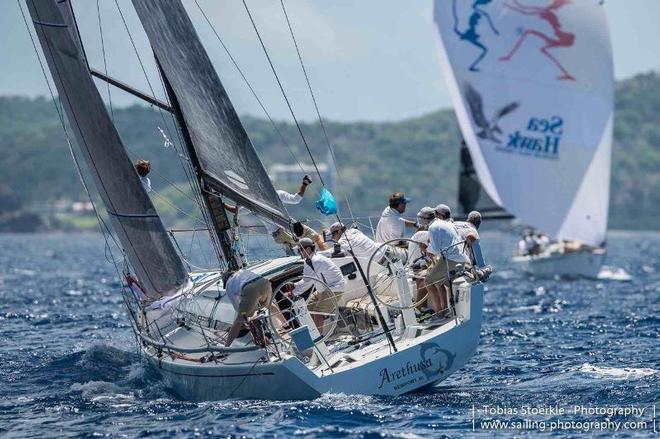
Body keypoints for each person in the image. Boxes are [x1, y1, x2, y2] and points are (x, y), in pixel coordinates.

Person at [225, 175, 314, 254]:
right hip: (283, 231)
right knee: (310, 241)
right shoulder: (256, 201)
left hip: (287, 230)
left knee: (314, 239)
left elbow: (235, 210)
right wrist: (304, 184)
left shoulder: (273, 195)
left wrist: (304, 184)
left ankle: (296, 250)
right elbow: (235, 210)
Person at [289, 238, 345, 331]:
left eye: (300, 250)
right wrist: (294, 285)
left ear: (307, 249)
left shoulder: (316, 261)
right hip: (323, 290)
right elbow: (306, 280)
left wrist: (293, 293)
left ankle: (320, 339)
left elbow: (308, 283)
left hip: (334, 289)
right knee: (308, 308)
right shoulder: (308, 261)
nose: (299, 252)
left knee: (317, 311)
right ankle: (314, 333)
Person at [425, 204, 471, 314]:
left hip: (451, 259)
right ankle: (445, 310)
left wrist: (427, 249)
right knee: (439, 282)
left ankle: (439, 313)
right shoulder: (451, 224)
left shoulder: (433, 227)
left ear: (438, 215)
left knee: (428, 282)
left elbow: (435, 250)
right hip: (462, 258)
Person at [223, 269, 274, 347]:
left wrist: (243, 316)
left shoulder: (228, 284)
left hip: (250, 289)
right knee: (270, 305)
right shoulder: (241, 272)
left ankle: (226, 346)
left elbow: (240, 311)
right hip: (264, 283)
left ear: (225, 280)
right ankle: (285, 325)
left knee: (239, 321)